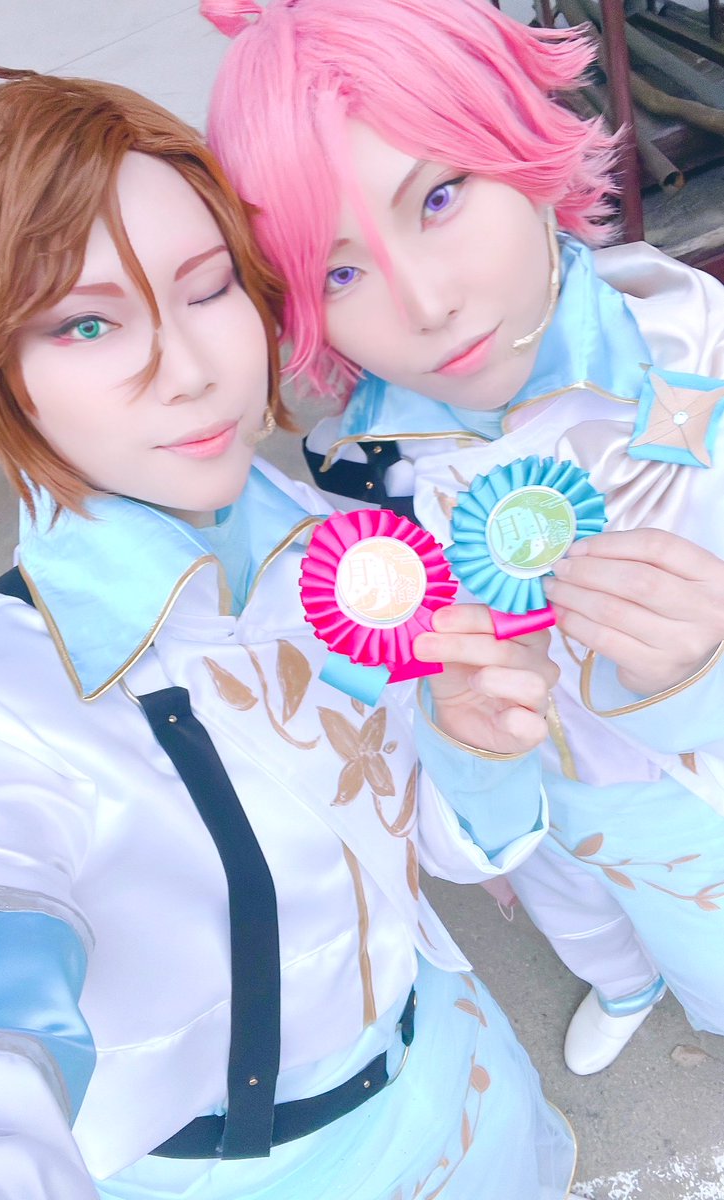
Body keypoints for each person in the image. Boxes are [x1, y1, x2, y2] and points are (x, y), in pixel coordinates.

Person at [0, 68, 575, 1200]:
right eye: (88, 323)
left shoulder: (350, 549)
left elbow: (438, 854)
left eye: (208, 290)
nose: (190, 370)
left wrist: (479, 747)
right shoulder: (8, 697)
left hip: (457, 1075)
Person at [203, 0, 724, 1076]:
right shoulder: (361, 459)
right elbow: (396, 677)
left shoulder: (699, 364)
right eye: (337, 273)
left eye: (437, 197)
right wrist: (470, 772)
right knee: (575, 910)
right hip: (535, 805)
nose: (425, 304)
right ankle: (619, 981)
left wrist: (700, 669)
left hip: (686, 802)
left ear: (518, 140)